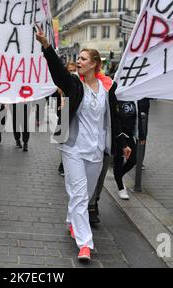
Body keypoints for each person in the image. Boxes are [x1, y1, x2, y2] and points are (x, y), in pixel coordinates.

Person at [36, 26, 130, 261]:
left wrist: (122, 142)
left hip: (96, 151)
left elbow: (113, 118)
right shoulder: (74, 85)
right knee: (78, 195)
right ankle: (85, 244)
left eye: (83, 58)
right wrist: (47, 47)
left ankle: (71, 221)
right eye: (78, 58)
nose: (78, 61)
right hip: (73, 148)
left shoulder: (107, 89)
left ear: (94, 65)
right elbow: (58, 73)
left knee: (85, 195)